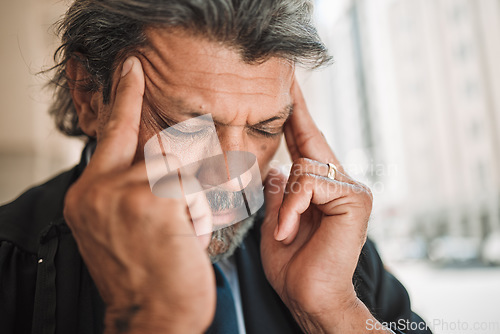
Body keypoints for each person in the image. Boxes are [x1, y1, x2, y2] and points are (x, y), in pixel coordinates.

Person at [0, 1, 432, 333]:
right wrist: (153, 320)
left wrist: (334, 311)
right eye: (186, 124)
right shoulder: (9, 267)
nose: (233, 175)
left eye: (266, 128)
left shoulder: (330, 250)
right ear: (89, 96)